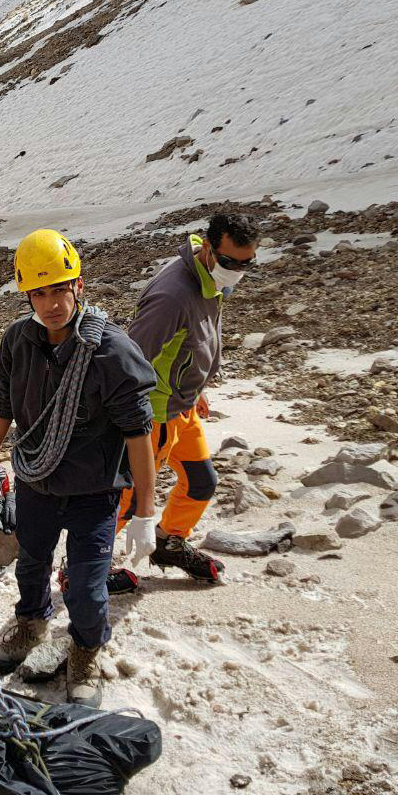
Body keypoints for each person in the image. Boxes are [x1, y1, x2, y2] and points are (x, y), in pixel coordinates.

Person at [0, 229, 158, 707]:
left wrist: (144, 513)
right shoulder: (18, 340)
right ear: (26, 294)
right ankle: (30, 626)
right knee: (31, 562)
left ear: (79, 285)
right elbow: (2, 407)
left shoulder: (110, 352)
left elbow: (139, 435)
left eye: (60, 289)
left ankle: (85, 651)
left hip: (93, 491)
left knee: (88, 583)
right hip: (36, 481)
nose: (51, 303)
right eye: (39, 292)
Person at [112, 212, 260, 587]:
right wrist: (130, 416)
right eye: (230, 262)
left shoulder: (211, 276)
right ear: (209, 249)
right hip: (156, 411)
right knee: (127, 500)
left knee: (200, 483)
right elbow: (134, 356)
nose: (237, 271)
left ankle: (169, 543)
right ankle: (84, 565)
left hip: (183, 403)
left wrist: (196, 387)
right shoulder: (171, 296)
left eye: (247, 263)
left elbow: (192, 341)